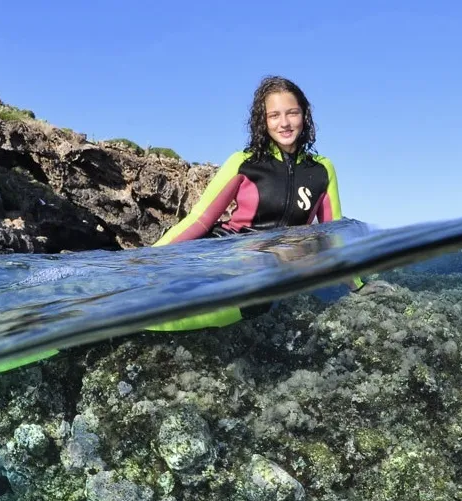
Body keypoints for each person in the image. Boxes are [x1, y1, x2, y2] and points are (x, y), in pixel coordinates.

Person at [146, 75, 364, 331]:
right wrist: (151, 259)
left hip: (272, 265)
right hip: (224, 250)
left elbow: (333, 235)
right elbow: (200, 219)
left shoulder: (322, 169)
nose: (284, 123)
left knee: (256, 300)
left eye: (292, 113)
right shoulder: (244, 161)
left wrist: (358, 285)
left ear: (304, 116)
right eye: (274, 115)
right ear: (263, 121)